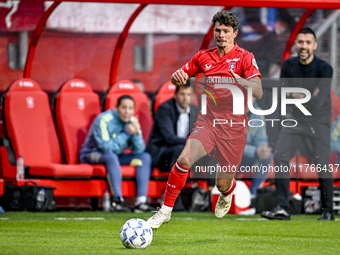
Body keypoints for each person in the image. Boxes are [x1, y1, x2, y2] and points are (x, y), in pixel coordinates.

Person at [147, 10, 262, 229]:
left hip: (234, 129)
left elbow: (258, 91)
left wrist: (244, 83)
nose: (221, 35)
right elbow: (179, 75)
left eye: (226, 31)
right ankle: (165, 211)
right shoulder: (203, 56)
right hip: (208, 123)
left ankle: (227, 192)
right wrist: (176, 76)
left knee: (222, 183)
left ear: (234, 34)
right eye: (217, 30)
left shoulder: (245, 58)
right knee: (184, 160)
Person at [261, 27, 334, 221]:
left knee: (322, 164)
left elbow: (319, 102)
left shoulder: (324, 68)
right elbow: (285, 95)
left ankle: (328, 211)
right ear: (296, 44)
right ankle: (283, 208)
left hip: (319, 120)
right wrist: (304, 95)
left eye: (308, 43)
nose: (304, 46)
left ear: (315, 46)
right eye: (300, 42)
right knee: (281, 156)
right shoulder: (288, 65)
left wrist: (296, 95)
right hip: (297, 120)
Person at [78, 95, 155, 213]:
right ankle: (117, 201)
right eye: (123, 107)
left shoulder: (133, 121)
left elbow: (139, 150)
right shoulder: (103, 119)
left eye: (130, 108)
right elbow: (106, 148)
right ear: (117, 108)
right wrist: (126, 133)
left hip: (115, 156)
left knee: (145, 157)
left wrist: (136, 135)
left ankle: (141, 202)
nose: (126, 111)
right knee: (111, 157)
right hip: (92, 154)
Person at [238, 99, 272, 212]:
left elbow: (260, 138)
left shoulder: (257, 113)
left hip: (245, 155)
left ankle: (253, 195)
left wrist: (263, 148)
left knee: (267, 156)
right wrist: (254, 151)